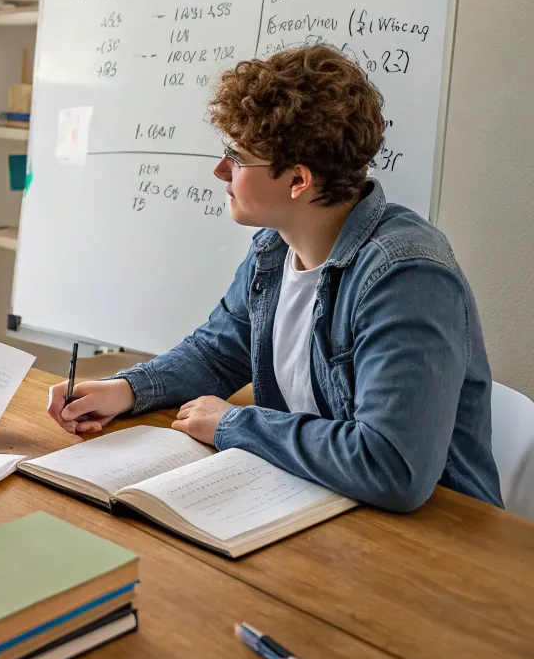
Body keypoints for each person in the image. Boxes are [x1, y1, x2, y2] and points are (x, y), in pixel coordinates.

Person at [48, 45, 501, 513]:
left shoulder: (406, 277)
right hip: (319, 504)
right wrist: (125, 390)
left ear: (298, 181)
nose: (220, 170)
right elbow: (218, 352)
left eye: (237, 158)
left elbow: (390, 467)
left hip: (441, 542)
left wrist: (234, 425)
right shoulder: (275, 247)